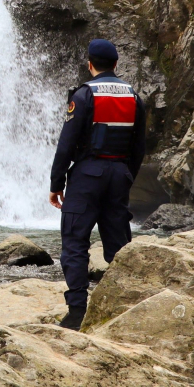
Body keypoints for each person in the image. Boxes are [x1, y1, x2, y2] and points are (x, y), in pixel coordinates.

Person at [49, 39, 146, 330]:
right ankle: (123, 307)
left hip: (87, 174)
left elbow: (66, 144)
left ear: (89, 64)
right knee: (118, 243)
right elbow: (139, 147)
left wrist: (56, 182)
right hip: (119, 174)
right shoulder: (133, 96)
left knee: (75, 241)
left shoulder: (84, 95)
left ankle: (77, 310)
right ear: (117, 64)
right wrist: (127, 176)